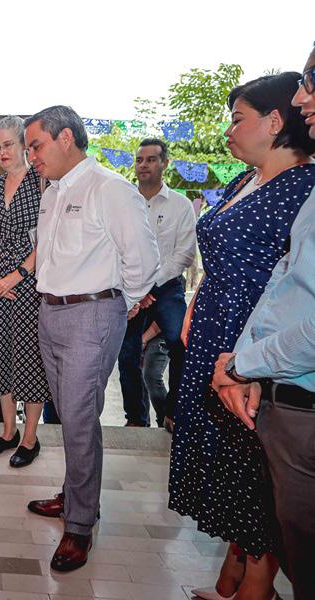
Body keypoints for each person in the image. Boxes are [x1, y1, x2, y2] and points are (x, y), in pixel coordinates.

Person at [169, 72, 315, 600]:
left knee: (255, 464)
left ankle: (257, 584)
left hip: (253, 339)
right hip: (215, 328)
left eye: (238, 119)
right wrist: (196, 304)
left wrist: (251, 357)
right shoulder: (241, 181)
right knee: (226, 458)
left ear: (275, 122)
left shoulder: (303, 187)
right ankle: (236, 569)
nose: (229, 131)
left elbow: (291, 281)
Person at [23, 105, 159, 572]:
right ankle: (75, 495)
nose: (31, 157)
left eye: (36, 146)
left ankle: (80, 525)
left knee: (80, 418)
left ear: (65, 138)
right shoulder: (52, 192)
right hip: (50, 311)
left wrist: (124, 302)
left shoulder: (110, 189)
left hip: (91, 314)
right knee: (69, 415)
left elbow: (143, 258)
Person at [0, 115, 52, 467]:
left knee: (29, 358)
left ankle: (30, 438)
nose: (2, 152)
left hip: (30, 284)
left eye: (8, 145)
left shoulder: (42, 182)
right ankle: (9, 432)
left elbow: (47, 238)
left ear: (24, 145)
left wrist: (16, 275)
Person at [117, 139, 197, 428]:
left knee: (179, 341)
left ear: (164, 163)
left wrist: (149, 287)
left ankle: (173, 413)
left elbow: (184, 255)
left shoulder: (180, 205)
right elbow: (114, 247)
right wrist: (136, 289)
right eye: (139, 160)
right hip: (129, 289)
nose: (143, 165)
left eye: (151, 160)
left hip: (167, 288)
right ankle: (136, 419)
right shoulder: (124, 202)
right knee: (127, 353)